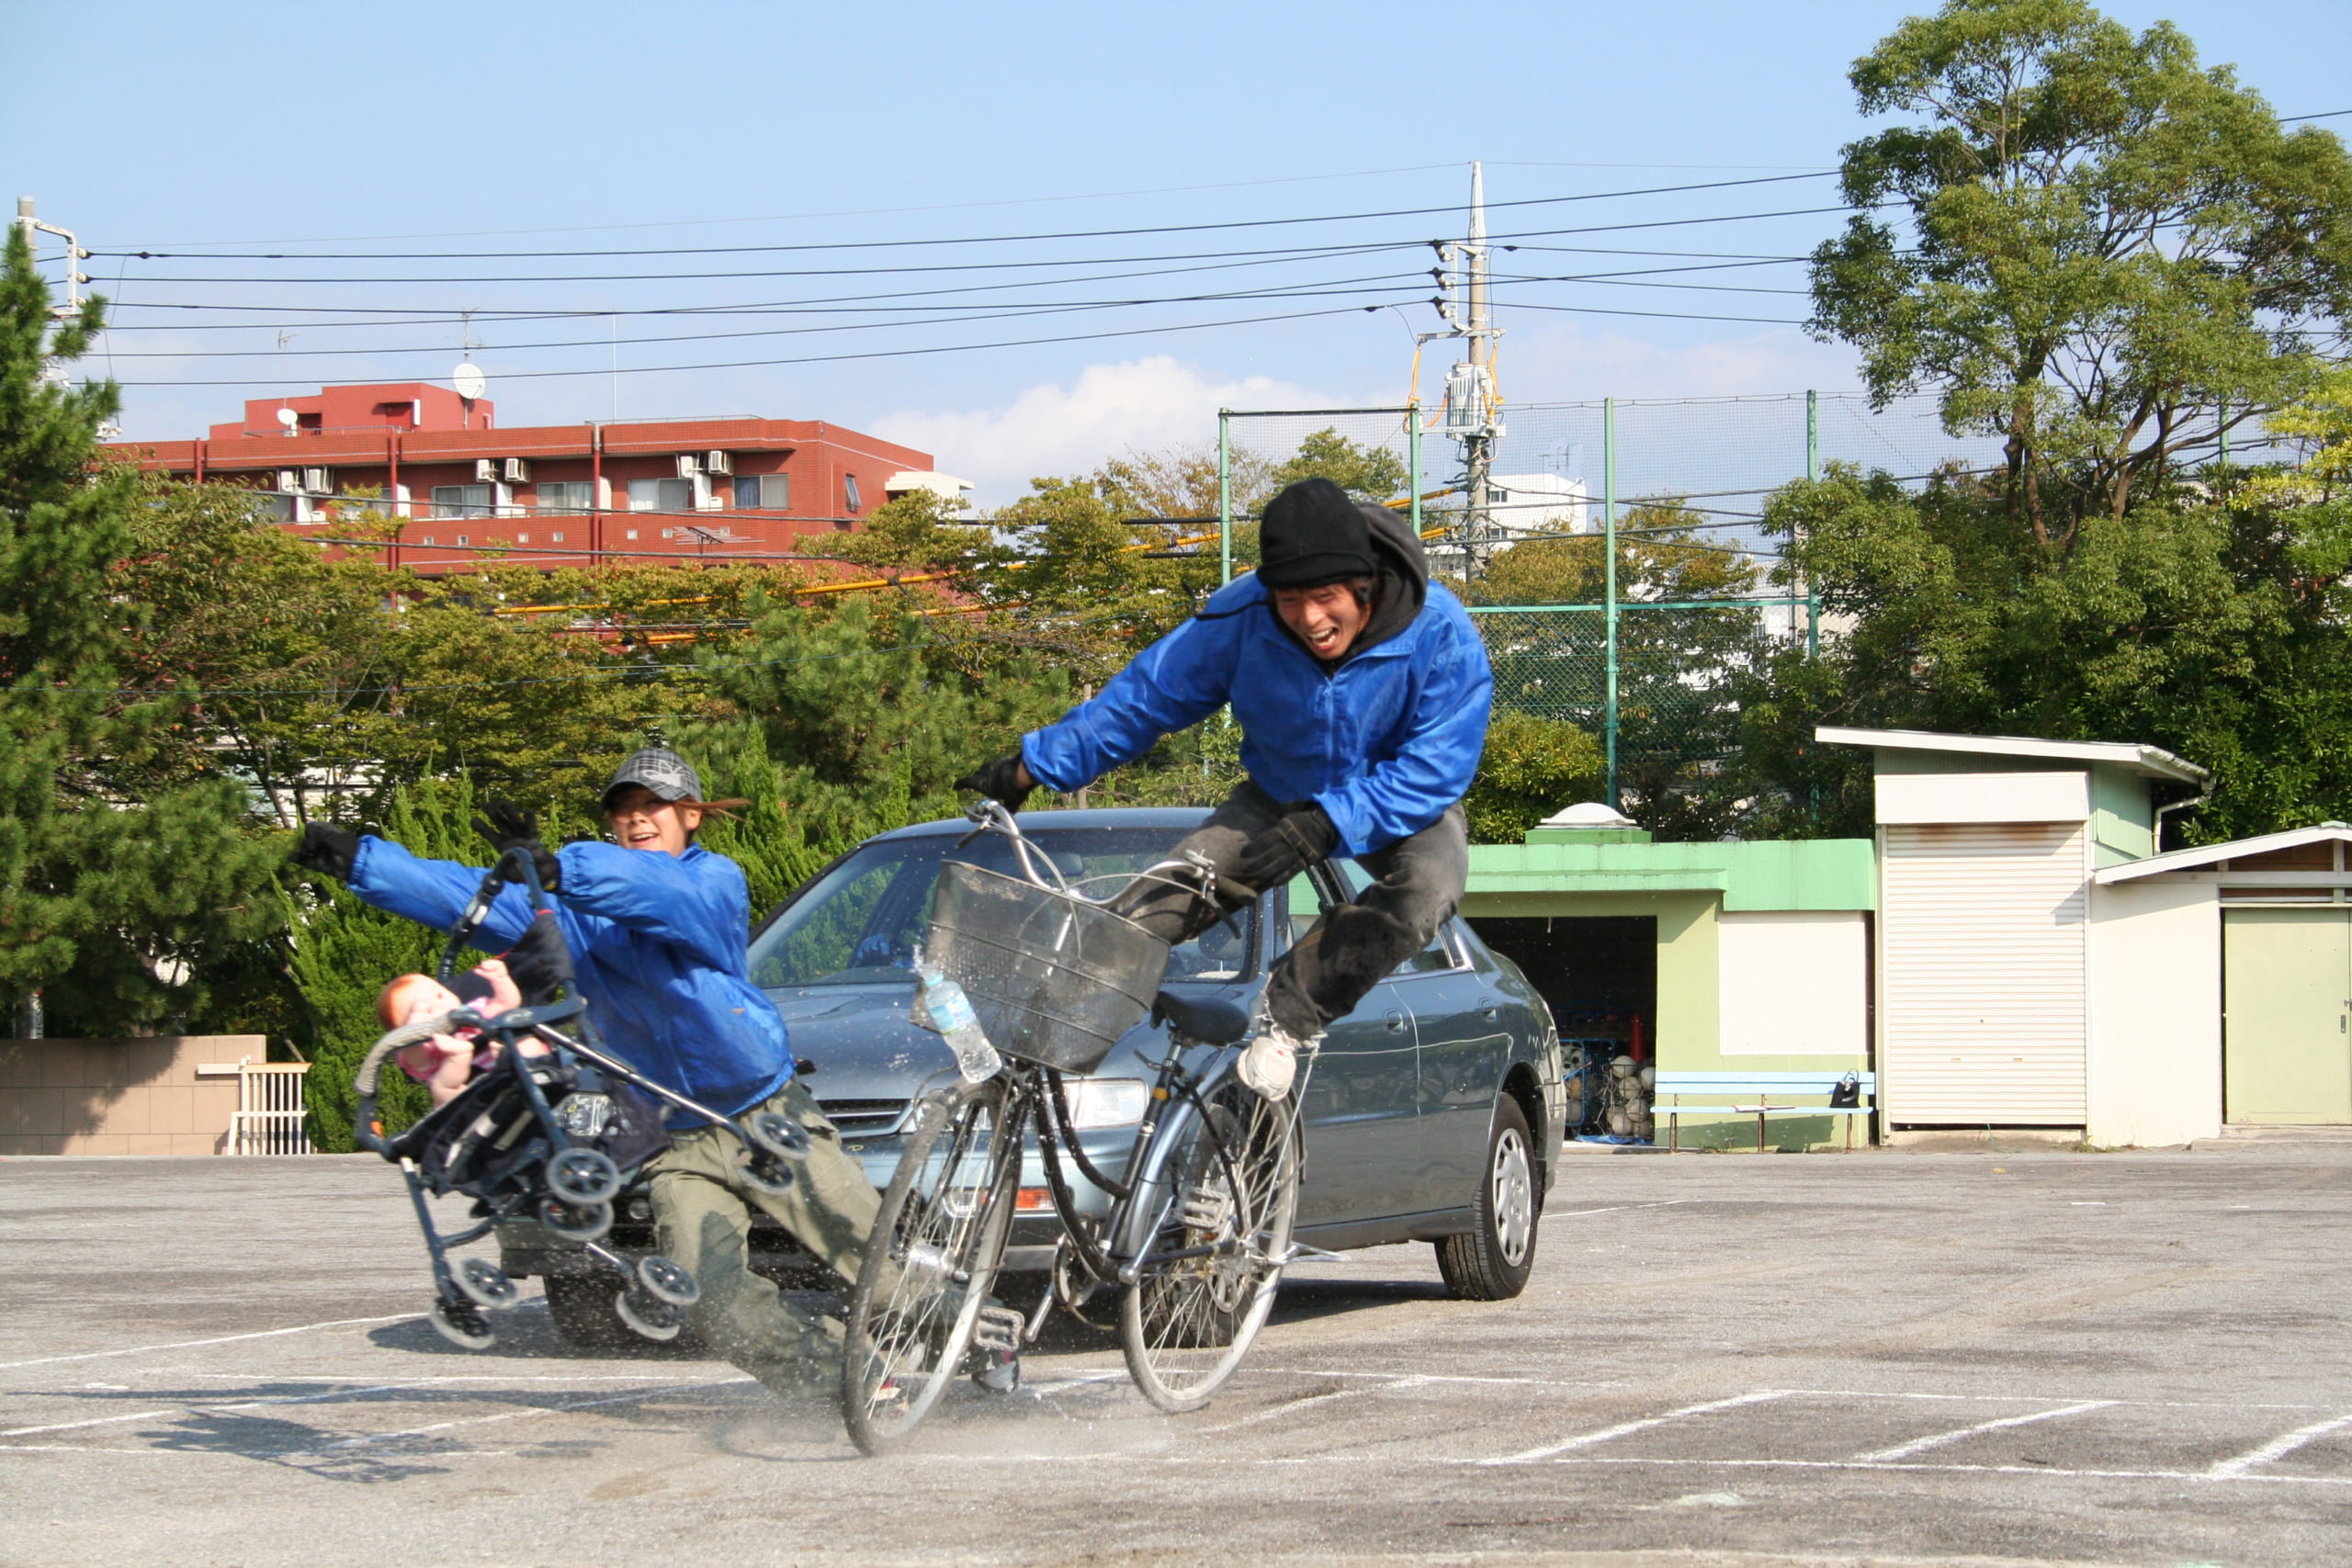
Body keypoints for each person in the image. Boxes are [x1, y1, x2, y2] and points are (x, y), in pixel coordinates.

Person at [289, 749, 931, 1404]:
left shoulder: (713, 883)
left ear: (690, 815)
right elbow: (465, 893)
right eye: (622, 810)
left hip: (763, 1114)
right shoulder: (569, 914)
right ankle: (849, 1385)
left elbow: (657, 892)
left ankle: (983, 1329)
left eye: (651, 805)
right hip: (674, 1136)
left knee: (882, 1278)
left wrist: (562, 867)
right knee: (710, 1301)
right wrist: (363, 861)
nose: (635, 819)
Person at [956, 476, 1493, 1101]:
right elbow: (1144, 700)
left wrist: (1329, 822)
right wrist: (1031, 767)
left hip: (1399, 797)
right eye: (1291, 600)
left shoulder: (1440, 631)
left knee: (1430, 887)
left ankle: (1290, 1015)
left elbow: (1437, 766)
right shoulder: (1242, 614)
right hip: (1279, 792)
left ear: (1365, 582)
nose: (1310, 620)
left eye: (1325, 597)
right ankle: (1035, 1053)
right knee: (1153, 905)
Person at [378, 959, 522, 1108]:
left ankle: (511, 1061)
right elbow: (415, 1058)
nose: (440, 1006)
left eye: (440, 996)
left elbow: (506, 1004)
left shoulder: (474, 1010)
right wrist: (416, 1032)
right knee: (440, 1089)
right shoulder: (427, 1046)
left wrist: (501, 980)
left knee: (525, 1040)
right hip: (469, 1091)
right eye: (427, 1011)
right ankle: (459, 1055)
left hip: (505, 1064)